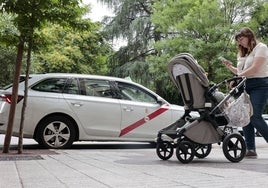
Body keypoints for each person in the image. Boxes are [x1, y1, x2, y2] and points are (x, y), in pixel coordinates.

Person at [220, 27, 268, 158]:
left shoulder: (261, 48)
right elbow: (240, 72)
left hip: (260, 84)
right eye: (238, 40)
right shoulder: (243, 53)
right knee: (245, 117)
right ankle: (250, 149)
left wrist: (239, 76)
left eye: (241, 39)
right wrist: (229, 67)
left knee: (255, 116)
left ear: (249, 36)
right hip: (245, 85)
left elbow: (255, 68)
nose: (239, 42)